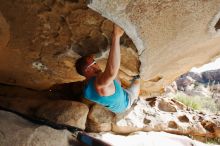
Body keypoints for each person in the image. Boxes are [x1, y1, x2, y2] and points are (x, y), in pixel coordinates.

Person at [75, 24, 140, 113]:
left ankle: (124, 87)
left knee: (115, 81)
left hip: (120, 94)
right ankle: (136, 91)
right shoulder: (99, 84)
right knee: (138, 79)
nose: (97, 64)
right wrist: (116, 36)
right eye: (94, 63)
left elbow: (112, 75)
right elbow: (112, 71)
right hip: (127, 101)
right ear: (88, 70)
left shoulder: (89, 85)